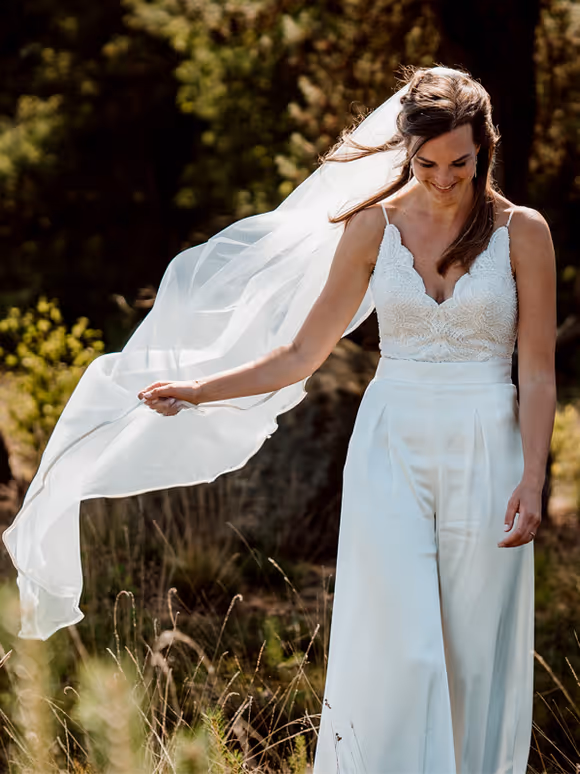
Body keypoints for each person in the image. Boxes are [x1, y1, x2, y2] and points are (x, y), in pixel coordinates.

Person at [3, 65, 556, 771]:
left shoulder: (523, 233)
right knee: (400, 645)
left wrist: (533, 479)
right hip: (392, 448)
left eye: (460, 163)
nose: (444, 180)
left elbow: (536, 372)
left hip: (491, 447)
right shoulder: (370, 229)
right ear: (404, 153)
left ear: (486, 149)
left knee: (473, 649)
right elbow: (299, 352)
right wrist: (201, 389)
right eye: (426, 164)